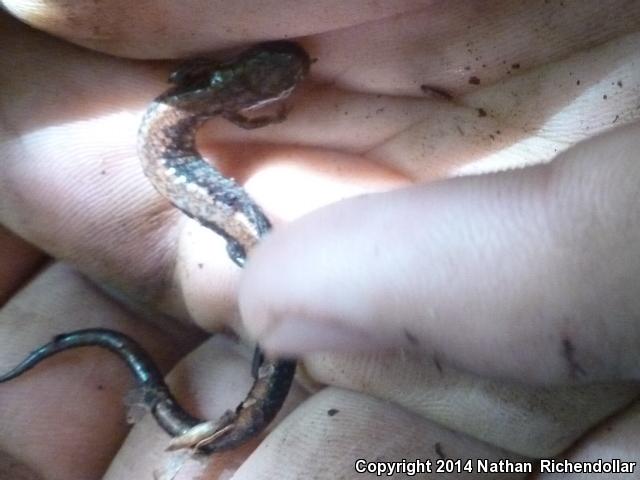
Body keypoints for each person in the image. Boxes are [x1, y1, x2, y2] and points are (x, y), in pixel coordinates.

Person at [1, 2, 639, 478]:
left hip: (220, 192)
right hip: (224, 204)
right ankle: (209, 417)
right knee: (254, 247)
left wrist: (263, 103)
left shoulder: (194, 97)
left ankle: (211, 409)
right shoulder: (205, 105)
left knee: (256, 250)